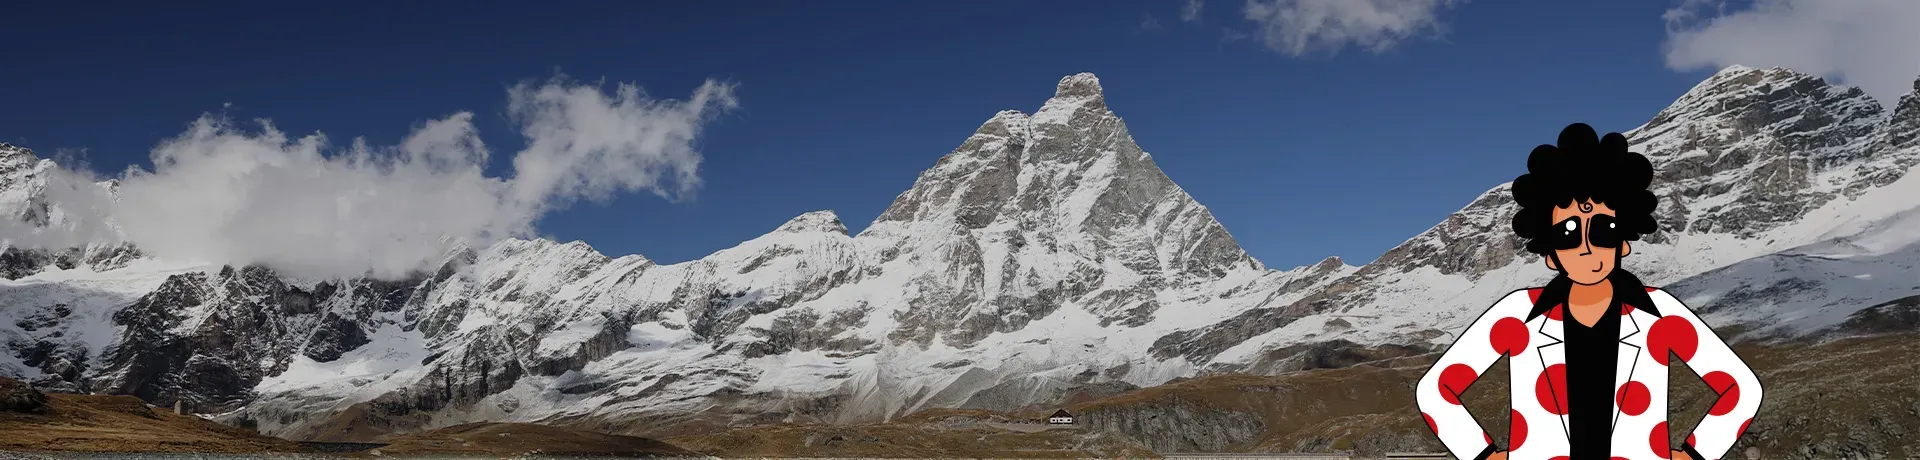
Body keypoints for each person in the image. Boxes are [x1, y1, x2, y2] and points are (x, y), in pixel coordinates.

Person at [1413, 123, 1762, 460]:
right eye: (1567, 234)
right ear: (1550, 253)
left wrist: (1696, 454)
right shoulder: (1517, 315)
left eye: (1603, 230)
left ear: (1623, 243)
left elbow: (1741, 389)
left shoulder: (1660, 314)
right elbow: (1436, 392)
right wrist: (1482, 454)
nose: (1586, 247)